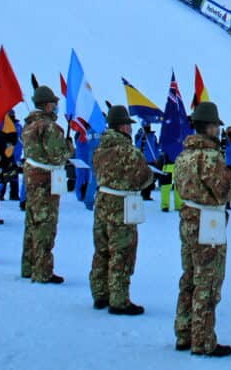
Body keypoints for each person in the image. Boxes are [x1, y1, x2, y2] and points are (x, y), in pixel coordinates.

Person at [174, 101, 231, 357]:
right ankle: (203, 340)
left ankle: (184, 332)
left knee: (189, 276)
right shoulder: (210, 157)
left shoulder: (184, 155)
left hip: (188, 219)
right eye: (215, 126)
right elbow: (225, 189)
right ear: (209, 127)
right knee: (208, 281)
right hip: (208, 222)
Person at [90, 105, 153, 315]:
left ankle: (100, 294)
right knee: (122, 252)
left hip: (102, 201)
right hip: (122, 205)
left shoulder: (99, 149)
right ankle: (119, 299)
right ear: (123, 127)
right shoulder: (129, 151)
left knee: (101, 249)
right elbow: (144, 177)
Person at [21, 85, 73, 284]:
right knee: (45, 225)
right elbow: (57, 155)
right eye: (55, 103)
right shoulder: (49, 127)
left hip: (33, 178)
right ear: (48, 105)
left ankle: (28, 266)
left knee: (32, 223)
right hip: (46, 179)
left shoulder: (29, 124)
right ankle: (42, 270)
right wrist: (68, 147)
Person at [135, 121, 160, 201]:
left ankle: (148, 193)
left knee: (151, 178)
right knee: (144, 178)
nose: (148, 126)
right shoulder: (139, 136)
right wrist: (142, 137)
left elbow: (155, 147)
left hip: (152, 160)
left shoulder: (153, 136)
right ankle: (144, 194)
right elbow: (137, 146)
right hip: (143, 160)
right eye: (147, 125)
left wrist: (157, 157)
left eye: (149, 125)